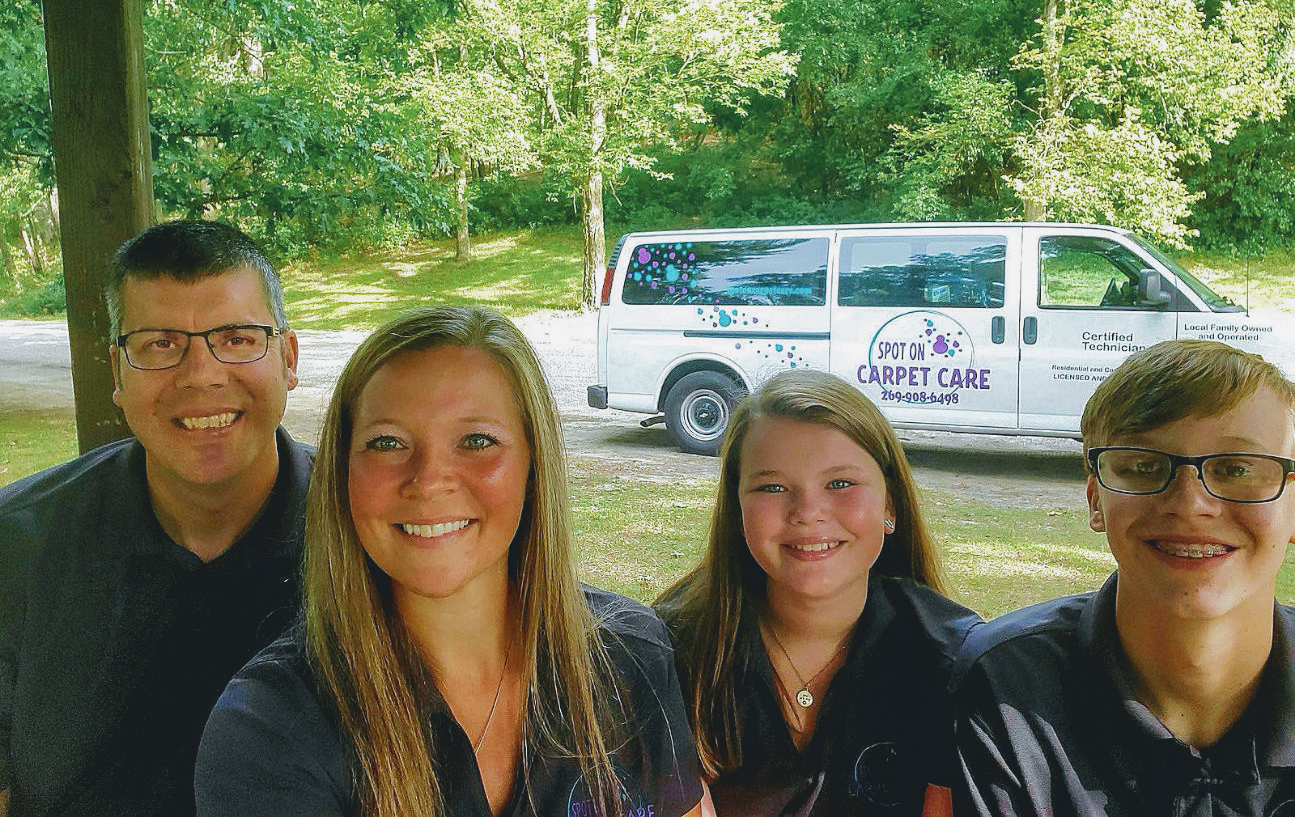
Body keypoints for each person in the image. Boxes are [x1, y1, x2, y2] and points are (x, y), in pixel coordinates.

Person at [195, 306, 707, 817]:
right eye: (387, 443)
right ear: (342, 471)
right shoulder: (269, 727)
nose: (429, 481)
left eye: (477, 441)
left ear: (534, 464)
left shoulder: (631, 655)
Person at [0, 219, 309, 817]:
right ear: (117, 374)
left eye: (238, 338)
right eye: (160, 344)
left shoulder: (369, 536)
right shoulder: (17, 546)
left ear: (288, 359)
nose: (201, 374)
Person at [954, 339, 1295, 815]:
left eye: (1238, 468)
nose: (1190, 504)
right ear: (1096, 499)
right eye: (1143, 466)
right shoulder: (1007, 685)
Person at [655, 369, 981, 816]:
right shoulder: (667, 654)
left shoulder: (956, 663)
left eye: (840, 484)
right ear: (737, 508)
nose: (808, 512)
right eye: (772, 487)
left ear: (889, 502)